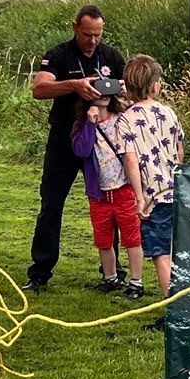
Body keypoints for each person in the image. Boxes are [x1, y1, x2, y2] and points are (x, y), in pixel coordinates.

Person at [26, 4, 126, 290]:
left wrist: (118, 89)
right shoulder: (59, 54)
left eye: (97, 35)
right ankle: (40, 271)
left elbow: (127, 89)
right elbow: (39, 89)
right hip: (64, 139)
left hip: (101, 143)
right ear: (75, 28)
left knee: (109, 204)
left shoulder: (111, 56)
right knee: (51, 204)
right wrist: (74, 86)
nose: (92, 41)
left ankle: (112, 271)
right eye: (86, 35)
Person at [116, 54, 185, 297]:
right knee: (176, 251)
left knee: (161, 255)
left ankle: (172, 310)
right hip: (176, 192)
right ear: (155, 85)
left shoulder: (126, 120)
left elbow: (131, 161)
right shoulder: (169, 113)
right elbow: (179, 152)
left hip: (154, 197)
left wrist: (139, 197)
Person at [76, 87, 146, 297]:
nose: (103, 95)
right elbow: (81, 150)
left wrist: (127, 96)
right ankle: (110, 277)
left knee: (132, 238)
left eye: (108, 90)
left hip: (123, 191)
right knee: (103, 240)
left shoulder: (122, 120)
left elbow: (140, 122)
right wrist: (89, 123)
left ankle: (136, 281)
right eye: (98, 91)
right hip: (100, 194)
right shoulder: (83, 125)